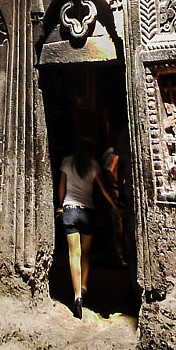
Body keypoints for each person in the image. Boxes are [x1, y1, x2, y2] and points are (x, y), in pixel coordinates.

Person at [58, 136, 120, 319]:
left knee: (73, 254)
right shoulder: (93, 166)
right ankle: (84, 286)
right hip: (87, 212)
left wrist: (61, 205)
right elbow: (103, 188)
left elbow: (61, 188)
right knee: (85, 251)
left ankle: (77, 296)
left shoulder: (67, 162)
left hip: (70, 210)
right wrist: (115, 205)